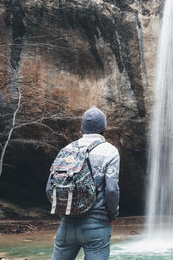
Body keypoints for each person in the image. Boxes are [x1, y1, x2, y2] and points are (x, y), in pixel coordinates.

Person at [46, 106, 120, 260]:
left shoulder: (66, 149)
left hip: (66, 225)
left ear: (82, 128)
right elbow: (112, 190)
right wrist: (113, 215)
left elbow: (49, 187)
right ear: (104, 128)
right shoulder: (110, 151)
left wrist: (66, 210)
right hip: (97, 225)